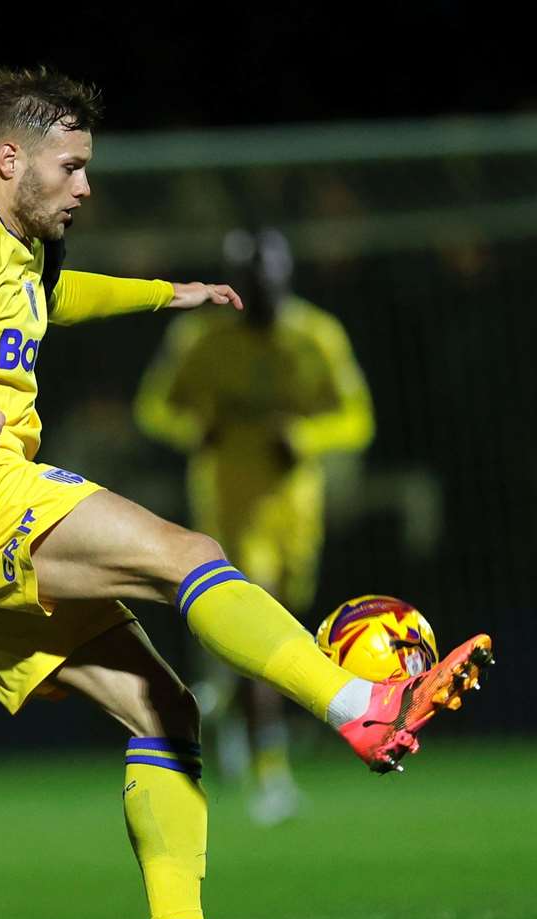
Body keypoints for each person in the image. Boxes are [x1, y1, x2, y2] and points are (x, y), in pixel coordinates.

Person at [0, 66, 493, 919]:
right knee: (189, 556)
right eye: (71, 166)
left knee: (166, 710)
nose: (86, 185)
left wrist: (167, 293)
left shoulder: (15, 253)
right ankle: (361, 704)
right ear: (9, 160)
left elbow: (56, 299)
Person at [135, 227, 375, 825]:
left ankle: (218, 703)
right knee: (266, 631)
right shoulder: (199, 338)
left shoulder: (317, 337)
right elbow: (154, 407)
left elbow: (356, 418)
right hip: (228, 506)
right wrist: (197, 431)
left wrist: (306, 438)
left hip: (296, 506)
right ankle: (272, 773)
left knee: (286, 624)